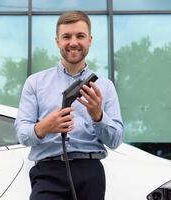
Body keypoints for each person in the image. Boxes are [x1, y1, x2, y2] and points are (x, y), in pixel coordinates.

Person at [15, 10, 124, 200]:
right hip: (48, 172)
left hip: (90, 172)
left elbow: (115, 140)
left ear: (90, 40)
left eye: (80, 36)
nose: (73, 42)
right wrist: (44, 127)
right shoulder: (35, 82)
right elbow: (22, 133)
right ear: (57, 41)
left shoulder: (105, 86)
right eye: (66, 36)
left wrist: (98, 116)